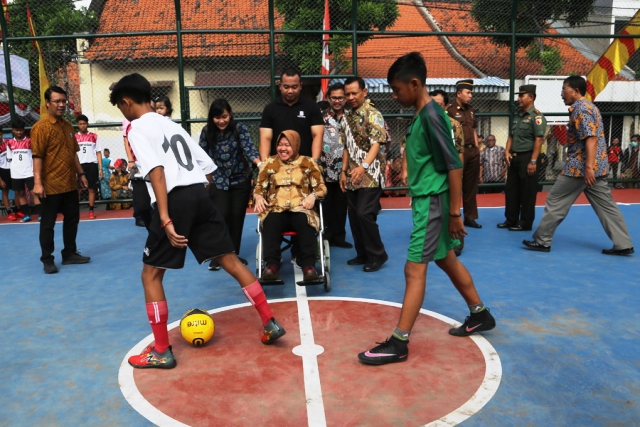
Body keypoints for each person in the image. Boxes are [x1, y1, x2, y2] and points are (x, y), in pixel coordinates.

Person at [110, 73, 286, 369]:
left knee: (151, 275)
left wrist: (165, 218)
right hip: (200, 195)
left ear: (126, 102)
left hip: (174, 200)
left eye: (121, 107)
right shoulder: (171, 124)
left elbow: (156, 172)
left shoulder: (137, 128)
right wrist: (196, 204)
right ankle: (269, 322)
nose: (123, 113)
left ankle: (162, 351)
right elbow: (207, 168)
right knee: (230, 260)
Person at [358, 52, 495, 366]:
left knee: (413, 269)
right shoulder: (424, 114)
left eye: (396, 89)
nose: (394, 95)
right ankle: (480, 314)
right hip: (428, 202)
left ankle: (399, 342)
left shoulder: (433, 116)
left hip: (434, 203)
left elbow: (454, 166)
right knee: (445, 260)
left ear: (415, 83)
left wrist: (455, 213)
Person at [523, 76, 634, 255]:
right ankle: (623, 244)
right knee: (606, 206)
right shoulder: (591, 107)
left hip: (580, 167)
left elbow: (590, 139)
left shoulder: (581, 109)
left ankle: (542, 241)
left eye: (564, 89)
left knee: (555, 200)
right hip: (595, 167)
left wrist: (588, 168)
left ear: (575, 91)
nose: (561, 94)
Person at [31, 86, 91, 274]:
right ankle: (47, 259)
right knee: (48, 224)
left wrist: (81, 175)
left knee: (72, 220)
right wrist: (38, 183)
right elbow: (37, 156)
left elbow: (73, 154)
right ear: (47, 103)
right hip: (50, 186)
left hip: (69, 184)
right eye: (57, 101)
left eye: (64, 101)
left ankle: (69, 253)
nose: (61, 104)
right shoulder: (40, 128)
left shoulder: (68, 126)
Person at [253, 130, 327, 281]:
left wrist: (313, 196)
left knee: (304, 222)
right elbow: (259, 186)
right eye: (280, 144)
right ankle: (271, 266)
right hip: (276, 208)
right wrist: (258, 195)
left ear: (296, 145)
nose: (283, 148)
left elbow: (321, 187)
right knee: (271, 222)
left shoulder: (308, 162)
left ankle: (308, 267)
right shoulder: (270, 163)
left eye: (287, 145)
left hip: (301, 208)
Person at [199, 99, 261, 270]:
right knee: (220, 216)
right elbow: (201, 156)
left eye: (224, 116)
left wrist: (259, 163)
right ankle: (218, 256)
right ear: (212, 118)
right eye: (217, 117)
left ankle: (233, 255)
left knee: (236, 216)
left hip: (240, 179)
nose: (221, 121)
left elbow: (249, 148)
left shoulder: (239, 129)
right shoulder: (206, 132)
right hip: (218, 181)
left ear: (230, 114)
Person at [340, 77, 388, 272]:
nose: (350, 97)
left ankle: (378, 254)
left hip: (371, 171)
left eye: (354, 93)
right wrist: (343, 172)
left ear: (364, 92)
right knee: (353, 214)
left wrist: (364, 167)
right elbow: (345, 147)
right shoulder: (346, 117)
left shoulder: (373, 114)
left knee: (364, 213)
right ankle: (363, 253)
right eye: (347, 94)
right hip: (352, 172)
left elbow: (377, 143)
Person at [499, 85, 547, 231]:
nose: (518, 99)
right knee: (511, 189)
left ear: (531, 97)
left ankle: (525, 222)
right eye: (519, 96)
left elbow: (539, 140)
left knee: (527, 191)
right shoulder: (518, 116)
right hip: (514, 157)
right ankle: (511, 219)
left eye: (522, 96)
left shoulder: (537, 117)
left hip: (528, 157)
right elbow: (511, 136)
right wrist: (507, 151)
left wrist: (533, 161)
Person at [259, 67, 324, 161]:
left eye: (294, 87)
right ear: (280, 85)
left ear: (301, 86)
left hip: (304, 163)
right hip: (278, 165)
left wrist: (314, 162)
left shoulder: (312, 107)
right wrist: (265, 164)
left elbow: (317, 135)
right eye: (286, 87)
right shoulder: (270, 109)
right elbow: (265, 138)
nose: (290, 91)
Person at [429, 89, 465, 256]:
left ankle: (456, 242)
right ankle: (436, 239)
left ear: (446, 105)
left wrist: (459, 172)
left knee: (453, 205)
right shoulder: (425, 122)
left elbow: (459, 152)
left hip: (449, 171)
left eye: (438, 104)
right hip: (431, 173)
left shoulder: (453, 125)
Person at [319, 83, 352, 248]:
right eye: (334, 98)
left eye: (340, 97)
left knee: (341, 204)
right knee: (325, 203)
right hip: (324, 169)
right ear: (328, 98)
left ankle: (339, 236)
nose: (337, 101)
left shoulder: (352, 117)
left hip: (345, 171)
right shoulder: (320, 117)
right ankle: (325, 235)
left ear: (345, 98)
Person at [447, 79, 482, 229]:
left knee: (471, 185)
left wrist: (476, 148)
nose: (470, 95)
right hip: (457, 152)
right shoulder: (450, 111)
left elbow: (473, 130)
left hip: (472, 151)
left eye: (471, 93)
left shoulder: (471, 110)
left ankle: (470, 217)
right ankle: (452, 215)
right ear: (459, 93)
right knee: (454, 185)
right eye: (468, 92)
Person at [5, 117, 41, 222]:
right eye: (16, 130)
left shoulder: (30, 142)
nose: (19, 132)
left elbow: (35, 157)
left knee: (34, 193)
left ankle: (41, 214)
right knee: (20, 194)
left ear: (24, 130)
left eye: (20, 130)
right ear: (13, 130)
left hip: (29, 172)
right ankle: (26, 215)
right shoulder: (9, 143)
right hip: (16, 173)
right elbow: (9, 158)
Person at [124, 117, 152, 228]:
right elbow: (126, 140)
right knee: (139, 192)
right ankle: (139, 216)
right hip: (136, 162)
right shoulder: (127, 123)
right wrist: (130, 160)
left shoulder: (151, 119)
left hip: (149, 161)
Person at [75, 114, 102, 219]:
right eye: (80, 124)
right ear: (77, 125)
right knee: (78, 189)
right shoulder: (74, 137)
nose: (82, 126)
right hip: (79, 165)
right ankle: (75, 212)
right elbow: (72, 153)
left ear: (87, 124)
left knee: (91, 188)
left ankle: (91, 210)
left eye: (84, 123)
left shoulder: (94, 136)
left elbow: (98, 152)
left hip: (91, 164)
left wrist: (100, 168)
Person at [0, 137, 15, 218]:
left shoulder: (8, 142)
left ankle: (17, 210)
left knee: (18, 190)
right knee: (5, 191)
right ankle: (9, 212)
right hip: (2, 171)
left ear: (1, 134)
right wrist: (0, 180)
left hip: (13, 168)